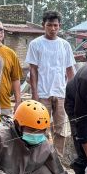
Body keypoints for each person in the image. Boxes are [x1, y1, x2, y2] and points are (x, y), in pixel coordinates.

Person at [26, 10, 76, 155]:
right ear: (43, 25)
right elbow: (33, 70)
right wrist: (34, 94)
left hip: (61, 93)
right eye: (49, 25)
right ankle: (41, 156)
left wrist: (72, 93)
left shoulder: (65, 45)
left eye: (55, 25)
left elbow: (70, 71)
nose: (53, 29)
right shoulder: (35, 44)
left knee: (60, 128)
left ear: (59, 26)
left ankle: (58, 158)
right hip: (42, 93)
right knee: (40, 127)